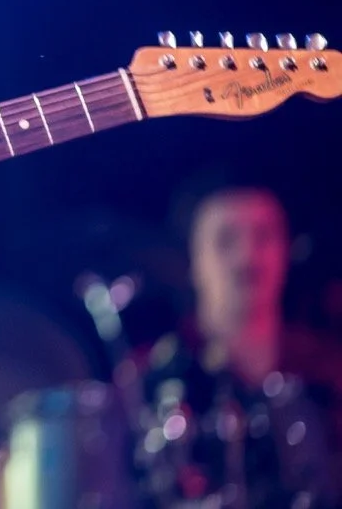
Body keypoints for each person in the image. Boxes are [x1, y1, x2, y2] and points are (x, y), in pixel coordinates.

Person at [134, 183, 338, 508]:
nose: (247, 256)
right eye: (226, 240)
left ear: (288, 250)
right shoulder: (147, 380)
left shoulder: (330, 367)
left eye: (264, 236)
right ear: (192, 260)